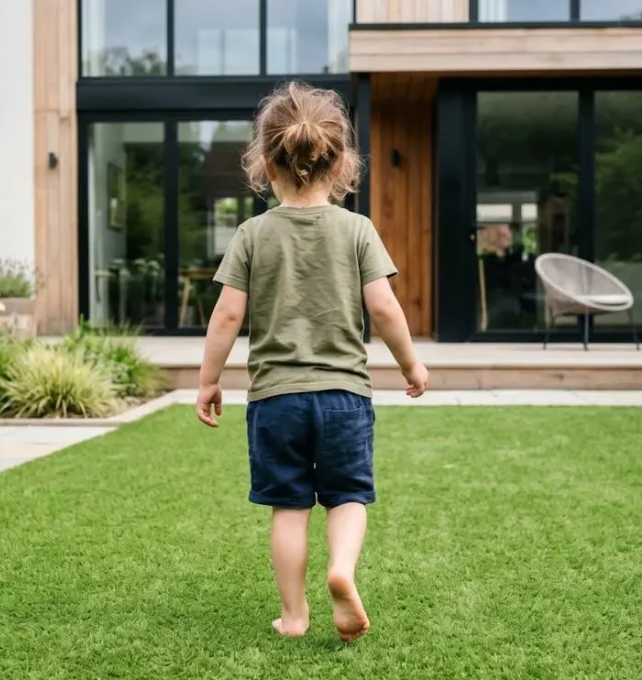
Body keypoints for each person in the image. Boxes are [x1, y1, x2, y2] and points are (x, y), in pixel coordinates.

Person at [195, 81, 429, 642]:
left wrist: (208, 381)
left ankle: (295, 616)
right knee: (348, 496)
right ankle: (342, 570)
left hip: (276, 400)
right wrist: (411, 365)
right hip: (346, 395)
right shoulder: (358, 230)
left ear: (265, 163)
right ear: (342, 162)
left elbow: (226, 317)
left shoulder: (251, 234)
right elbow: (384, 307)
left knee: (289, 508)